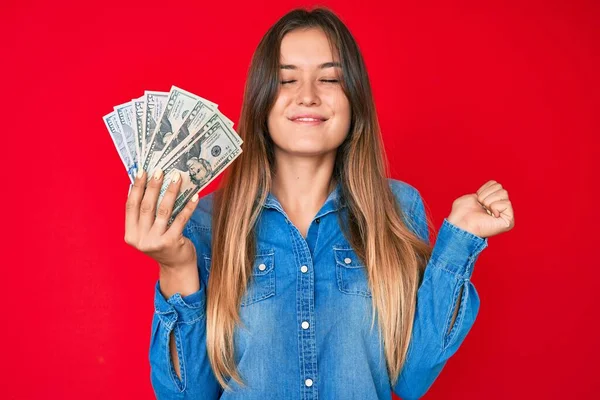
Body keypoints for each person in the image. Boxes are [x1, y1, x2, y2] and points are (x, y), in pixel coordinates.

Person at [124, 7, 515, 400]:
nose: (308, 96)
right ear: (261, 102)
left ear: (354, 100)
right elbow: (186, 396)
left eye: (329, 78)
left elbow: (411, 379)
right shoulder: (207, 222)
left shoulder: (398, 208)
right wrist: (174, 267)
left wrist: (459, 240)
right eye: (286, 80)